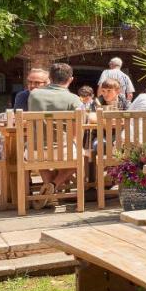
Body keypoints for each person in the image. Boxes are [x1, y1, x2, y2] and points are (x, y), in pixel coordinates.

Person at [27, 63, 85, 201]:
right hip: (63, 150)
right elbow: (81, 122)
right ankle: (54, 184)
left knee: (38, 153)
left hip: (35, 152)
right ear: (70, 79)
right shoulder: (74, 99)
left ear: (50, 78)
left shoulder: (34, 95)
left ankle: (48, 189)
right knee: (80, 157)